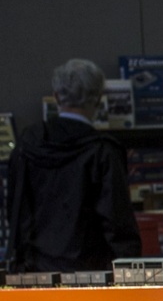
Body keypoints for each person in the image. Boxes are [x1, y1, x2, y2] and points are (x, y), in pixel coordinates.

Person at [5, 59, 140, 273]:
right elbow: (117, 225)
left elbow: (15, 212)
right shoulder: (103, 152)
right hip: (92, 277)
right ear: (98, 100)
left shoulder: (26, 145)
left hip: (33, 275)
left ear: (56, 97)